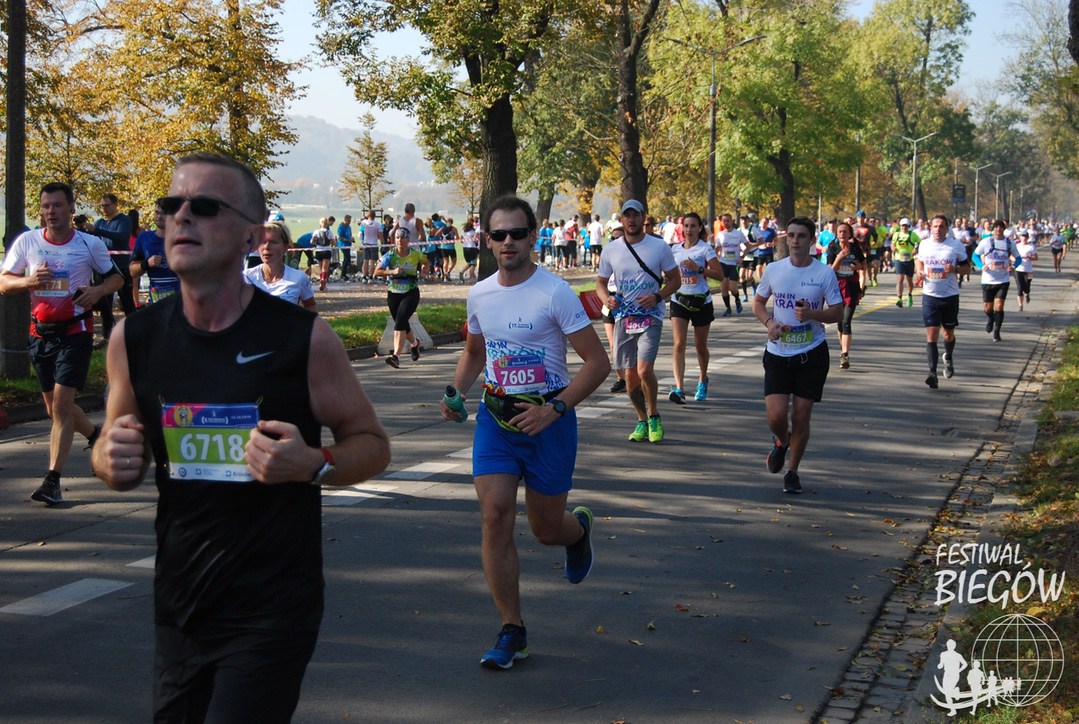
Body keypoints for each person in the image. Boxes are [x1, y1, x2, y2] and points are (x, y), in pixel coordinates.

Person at [91, 152, 390, 721]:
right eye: (171, 205)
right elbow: (115, 458)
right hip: (181, 603)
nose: (182, 217)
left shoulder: (303, 339)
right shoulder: (135, 338)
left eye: (205, 206)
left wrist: (314, 462)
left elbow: (373, 444)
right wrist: (110, 459)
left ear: (251, 235)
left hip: (272, 608)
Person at [439, 194, 609, 670]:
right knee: (494, 515)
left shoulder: (555, 293)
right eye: (499, 234)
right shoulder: (480, 294)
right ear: (487, 240)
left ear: (534, 236)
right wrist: (456, 392)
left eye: (517, 233)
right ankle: (512, 629)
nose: (508, 241)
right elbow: (475, 352)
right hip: (496, 418)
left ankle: (577, 533)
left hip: (547, 421)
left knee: (545, 529)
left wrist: (553, 410)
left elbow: (598, 363)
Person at [1, 182, 124, 505]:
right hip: (41, 333)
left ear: (71, 208)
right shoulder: (28, 242)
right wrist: (28, 281)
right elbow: (4, 283)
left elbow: (116, 278)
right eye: (46, 206)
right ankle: (96, 434)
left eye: (57, 205)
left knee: (61, 406)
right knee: (54, 408)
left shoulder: (89, 244)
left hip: (76, 331)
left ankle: (52, 480)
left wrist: (97, 291)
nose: (50, 212)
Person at [751, 216, 843, 494]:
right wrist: (769, 323)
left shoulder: (824, 274)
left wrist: (812, 314)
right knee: (775, 417)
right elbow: (758, 303)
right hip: (778, 353)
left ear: (812, 240)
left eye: (801, 236)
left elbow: (837, 312)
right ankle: (782, 441)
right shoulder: (774, 269)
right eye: (791, 235)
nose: (794, 240)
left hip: (811, 353)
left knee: (801, 417)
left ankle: (792, 472)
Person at [596, 200, 680, 443]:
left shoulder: (659, 246)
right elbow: (601, 283)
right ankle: (641, 419)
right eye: (627, 215)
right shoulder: (611, 249)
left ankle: (654, 415)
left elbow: (675, 280)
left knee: (644, 370)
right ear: (622, 220)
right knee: (630, 377)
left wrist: (657, 297)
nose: (631, 220)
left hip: (650, 316)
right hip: (624, 317)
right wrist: (607, 299)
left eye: (636, 215)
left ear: (644, 217)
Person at [668, 213, 723, 404]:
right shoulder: (675, 249)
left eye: (693, 226)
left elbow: (719, 275)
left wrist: (698, 268)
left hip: (701, 301)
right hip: (679, 299)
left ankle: (703, 378)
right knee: (679, 344)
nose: (689, 230)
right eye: (686, 226)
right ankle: (679, 388)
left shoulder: (705, 249)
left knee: (700, 346)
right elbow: (669, 273)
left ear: (700, 228)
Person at [916, 214, 971, 388]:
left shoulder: (955, 245)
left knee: (948, 334)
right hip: (930, 295)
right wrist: (919, 272)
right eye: (935, 226)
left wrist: (954, 269)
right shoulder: (924, 244)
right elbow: (919, 261)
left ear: (947, 229)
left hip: (950, 296)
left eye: (941, 226)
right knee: (932, 334)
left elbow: (967, 268)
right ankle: (932, 373)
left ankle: (948, 356)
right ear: (930, 228)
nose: (938, 229)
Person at [78, 193, 135, 345]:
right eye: (102, 206)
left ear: (115, 205)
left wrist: (96, 230)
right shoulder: (100, 222)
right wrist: (81, 228)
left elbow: (121, 236)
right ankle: (106, 336)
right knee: (105, 304)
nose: (104, 208)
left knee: (127, 301)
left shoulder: (124, 220)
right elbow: (91, 238)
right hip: (104, 268)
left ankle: (133, 333)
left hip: (122, 267)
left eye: (107, 205)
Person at [374, 227, 429, 367]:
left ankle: (396, 356)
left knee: (399, 322)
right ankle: (415, 343)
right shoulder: (390, 255)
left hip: (410, 292)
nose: (400, 240)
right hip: (393, 293)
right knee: (402, 322)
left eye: (403, 238)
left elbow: (426, 262)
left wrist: (424, 272)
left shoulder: (416, 254)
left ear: (408, 240)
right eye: (397, 238)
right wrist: (392, 271)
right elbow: (377, 271)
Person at [243, 221, 317, 310]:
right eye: (263, 242)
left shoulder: (299, 278)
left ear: (285, 247)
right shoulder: (247, 277)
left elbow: (310, 305)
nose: (266, 247)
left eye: (273, 242)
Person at [974, 219, 1021, 342]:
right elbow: (975, 256)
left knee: (999, 306)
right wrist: (981, 266)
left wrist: (1013, 266)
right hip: (987, 279)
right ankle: (991, 318)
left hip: (1003, 279)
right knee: (987, 308)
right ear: (993, 229)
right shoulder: (986, 242)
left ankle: (997, 331)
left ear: (1004, 229)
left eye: (1001, 227)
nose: (998, 229)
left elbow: (1018, 258)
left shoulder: (1009, 243)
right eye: (996, 227)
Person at [827, 222, 865, 370]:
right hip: (836, 287)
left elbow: (863, 265)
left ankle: (845, 354)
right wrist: (839, 258)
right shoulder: (833, 248)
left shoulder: (855, 248)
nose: (842, 234)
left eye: (845, 231)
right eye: (840, 232)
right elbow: (830, 270)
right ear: (837, 234)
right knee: (839, 322)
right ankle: (843, 347)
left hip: (851, 286)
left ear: (850, 234)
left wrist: (858, 267)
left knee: (846, 321)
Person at [130, 201, 180, 305]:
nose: (159, 216)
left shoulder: (183, 238)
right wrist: (146, 264)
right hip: (157, 297)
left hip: (182, 297)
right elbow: (132, 271)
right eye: (157, 212)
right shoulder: (144, 238)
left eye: (164, 213)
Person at [713, 213, 747, 316]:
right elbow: (717, 248)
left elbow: (748, 246)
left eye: (728, 220)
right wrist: (717, 256)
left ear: (732, 221)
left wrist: (742, 257)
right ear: (722, 222)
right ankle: (728, 308)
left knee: (732, 287)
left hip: (734, 264)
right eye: (724, 221)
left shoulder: (738, 234)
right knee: (724, 288)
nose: (726, 223)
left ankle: (737, 299)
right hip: (723, 263)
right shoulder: (720, 234)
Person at [892, 218, 920, 308]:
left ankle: (909, 295)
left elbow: (919, 243)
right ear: (900, 226)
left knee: (909, 280)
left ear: (909, 226)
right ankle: (899, 298)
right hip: (899, 259)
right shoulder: (896, 234)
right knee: (900, 278)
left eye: (906, 226)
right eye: (902, 226)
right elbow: (893, 243)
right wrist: (893, 248)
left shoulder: (912, 234)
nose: (904, 227)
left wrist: (916, 249)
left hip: (909, 259)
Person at [336, 214, 354, 280]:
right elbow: (339, 237)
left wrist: (352, 239)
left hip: (348, 245)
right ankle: (343, 274)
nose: (349, 222)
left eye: (350, 221)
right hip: (343, 245)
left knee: (346, 259)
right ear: (345, 220)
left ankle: (344, 273)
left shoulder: (349, 227)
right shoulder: (341, 227)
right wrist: (347, 240)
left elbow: (350, 235)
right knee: (347, 259)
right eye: (348, 220)